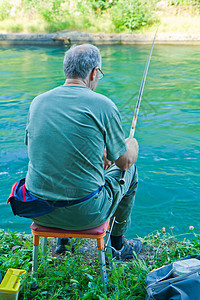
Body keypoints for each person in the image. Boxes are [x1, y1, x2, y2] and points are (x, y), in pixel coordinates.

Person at [24, 44, 142, 260]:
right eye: (100, 74)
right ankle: (118, 245)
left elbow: (47, 148)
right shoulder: (103, 105)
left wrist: (100, 154)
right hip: (85, 215)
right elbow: (124, 162)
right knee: (131, 173)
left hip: (39, 210)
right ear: (94, 72)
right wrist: (131, 143)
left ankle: (64, 241)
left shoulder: (37, 102)